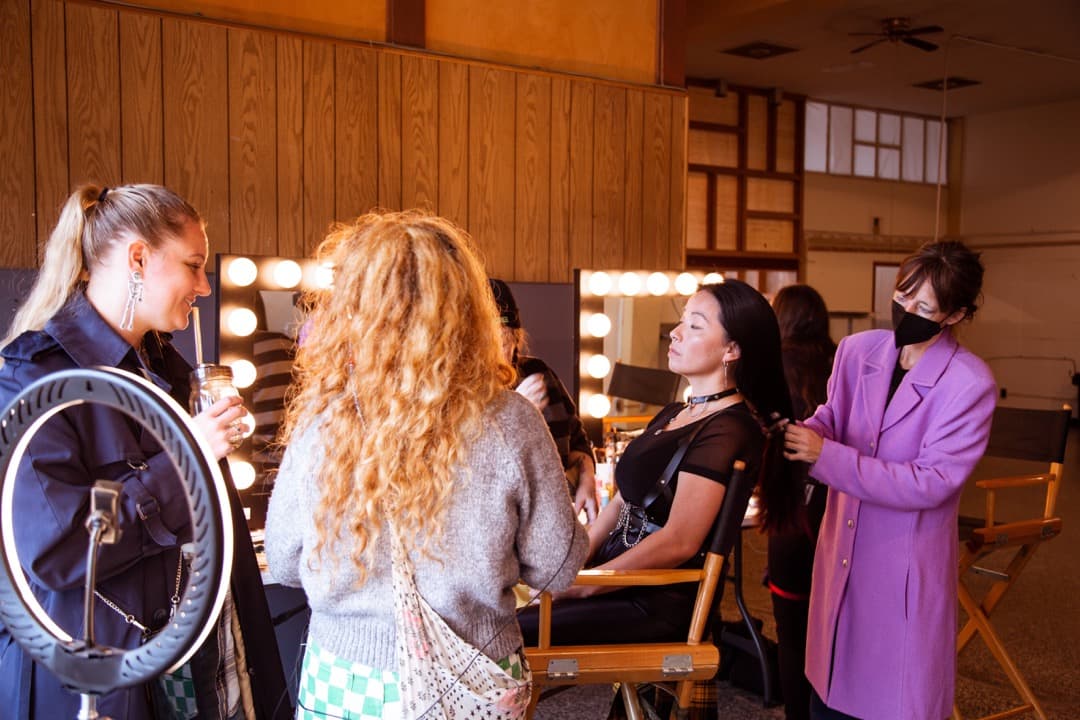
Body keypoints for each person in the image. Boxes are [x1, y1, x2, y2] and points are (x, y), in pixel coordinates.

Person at [264, 210, 588, 719]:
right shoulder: (510, 420)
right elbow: (559, 565)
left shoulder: (321, 421)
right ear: (467, 307)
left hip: (347, 680)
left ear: (354, 307)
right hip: (475, 676)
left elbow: (283, 560)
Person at [0, 184, 289, 719]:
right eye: (194, 265)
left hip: (190, 659)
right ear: (138, 257)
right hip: (94, 680)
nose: (204, 286)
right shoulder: (35, 376)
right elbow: (58, 550)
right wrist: (188, 457)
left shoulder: (168, 371)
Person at [519, 279, 800, 646]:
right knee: (496, 607)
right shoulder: (675, 412)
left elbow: (680, 540)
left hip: (652, 599)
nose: (676, 334)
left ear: (731, 349)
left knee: (500, 632)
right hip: (614, 577)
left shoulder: (729, 429)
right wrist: (575, 559)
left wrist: (587, 586)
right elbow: (622, 501)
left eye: (695, 326)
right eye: (681, 321)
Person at [784, 240, 996, 720]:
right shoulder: (859, 352)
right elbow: (831, 417)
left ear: (957, 314)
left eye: (925, 307)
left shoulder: (969, 383)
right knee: (828, 685)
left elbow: (930, 482)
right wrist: (802, 433)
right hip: (841, 546)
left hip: (901, 562)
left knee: (893, 698)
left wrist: (824, 456)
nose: (907, 311)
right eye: (903, 297)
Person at [766, 284, 835, 720]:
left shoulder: (776, 368)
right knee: (834, 631)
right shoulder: (843, 362)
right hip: (844, 508)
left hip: (796, 513)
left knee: (793, 633)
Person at [489, 278, 600, 521]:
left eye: (508, 343)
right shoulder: (464, 391)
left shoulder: (537, 371)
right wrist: (516, 411)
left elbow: (578, 441)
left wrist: (587, 477)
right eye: (491, 344)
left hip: (554, 518)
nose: (503, 357)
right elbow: (479, 471)